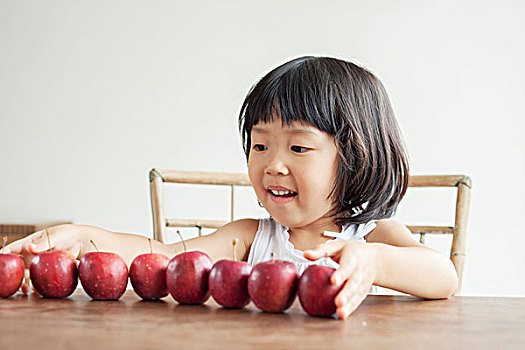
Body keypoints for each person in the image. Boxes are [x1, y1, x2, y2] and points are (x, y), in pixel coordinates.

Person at [4, 56, 458, 319]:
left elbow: (444, 277)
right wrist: (81, 236)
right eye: (260, 145)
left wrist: (373, 262)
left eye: (298, 148)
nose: (273, 165)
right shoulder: (249, 237)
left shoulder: (371, 236)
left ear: (356, 156)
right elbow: (158, 255)